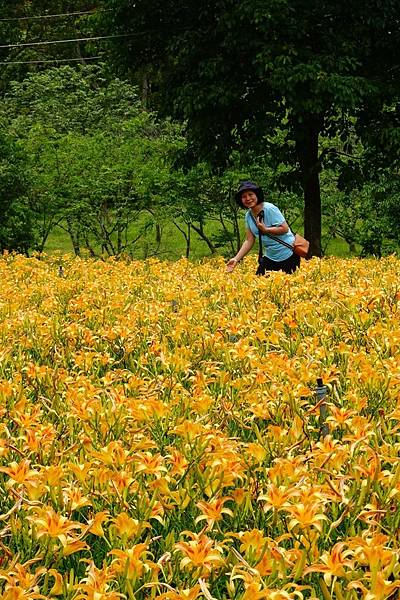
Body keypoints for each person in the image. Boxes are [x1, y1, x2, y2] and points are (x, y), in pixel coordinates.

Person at [226, 180, 300, 275]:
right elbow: (249, 240)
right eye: (244, 197)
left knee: (286, 286)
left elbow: (284, 229)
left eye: (250, 194)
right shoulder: (248, 216)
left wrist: (266, 230)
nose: (248, 198)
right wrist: (236, 259)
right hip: (271, 256)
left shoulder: (269, 208)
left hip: (288, 253)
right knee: (258, 284)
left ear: (257, 195)